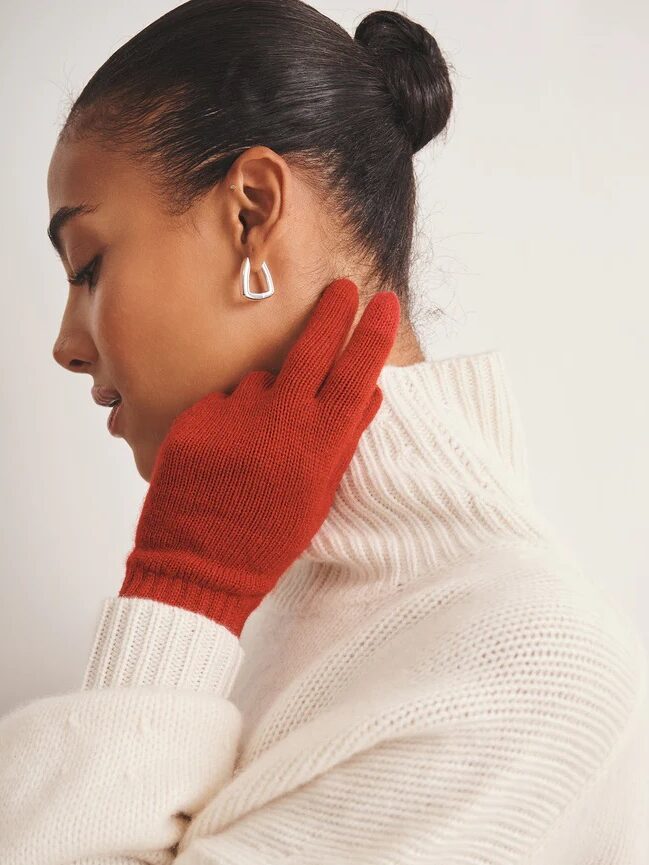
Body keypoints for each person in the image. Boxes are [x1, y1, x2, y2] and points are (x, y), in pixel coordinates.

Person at [1, 1, 647, 862]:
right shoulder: (267, 600)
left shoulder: (528, 671)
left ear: (251, 213)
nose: (65, 347)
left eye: (87, 266)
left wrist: (180, 590)